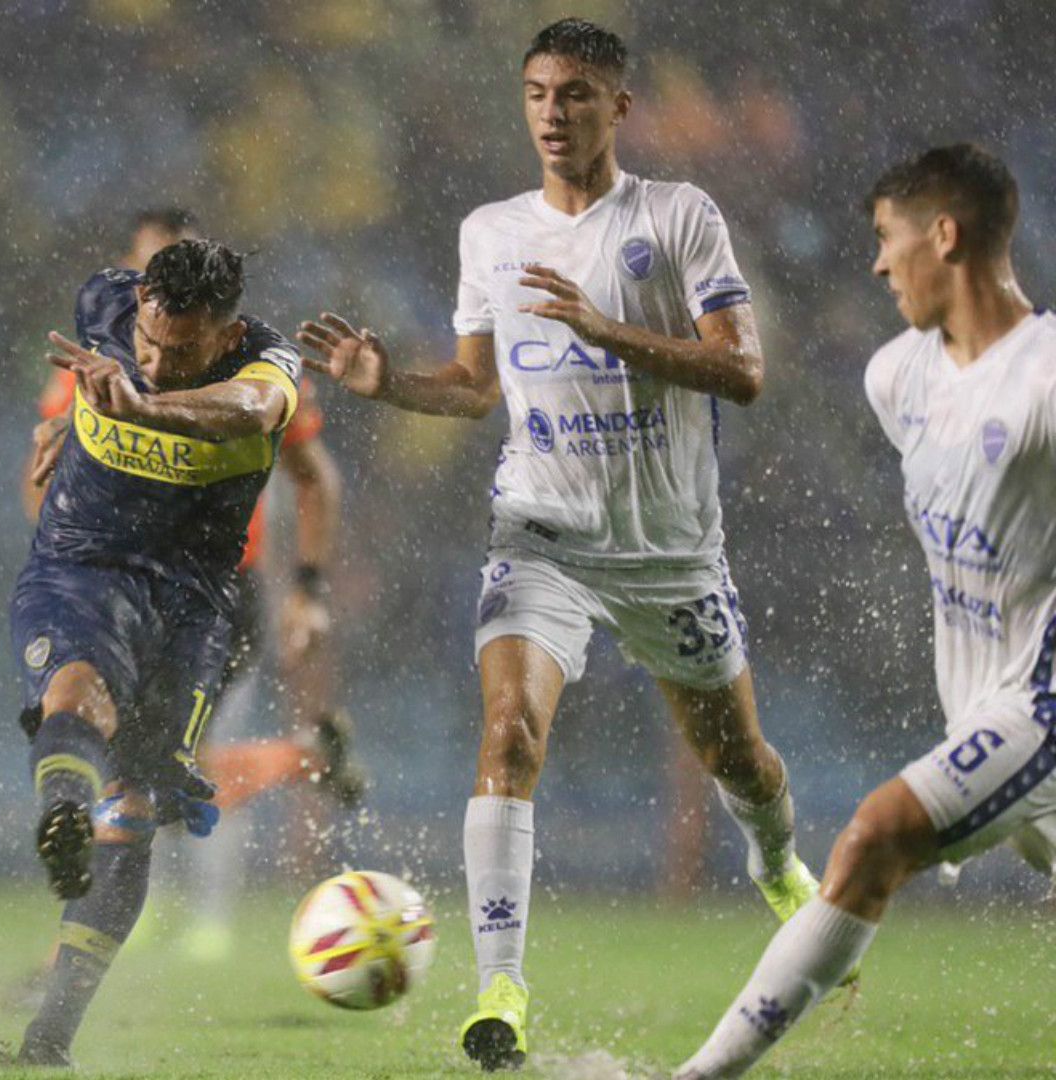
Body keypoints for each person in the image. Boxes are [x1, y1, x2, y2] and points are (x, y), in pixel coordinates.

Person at [298, 19, 812, 1070]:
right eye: (537, 93)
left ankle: (777, 863)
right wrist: (388, 384)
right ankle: (500, 991)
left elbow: (745, 371)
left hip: (669, 550)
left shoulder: (678, 216)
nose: (552, 113)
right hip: (541, 536)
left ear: (619, 106)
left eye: (575, 94)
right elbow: (475, 386)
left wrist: (604, 328)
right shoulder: (491, 232)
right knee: (509, 736)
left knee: (740, 760)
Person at [675, 143, 1056, 1079]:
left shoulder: (1046, 378)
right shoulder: (897, 377)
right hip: (978, 703)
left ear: (945, 235)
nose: (879, 265)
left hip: (1041, 704)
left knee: (875, 838)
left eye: (888, 239)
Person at [23, 209, 363, 963]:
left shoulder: (260, 371)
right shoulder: (99, 348)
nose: (161, 305)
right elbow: (52, 464)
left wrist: (308, 586)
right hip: (115, 584)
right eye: (150, 276)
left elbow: (312, 475)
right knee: (132, 760)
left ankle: (85, 952)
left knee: (152, 771)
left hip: (213, 595)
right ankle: (304, 756)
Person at [10, 239, 301, 1065]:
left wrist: (138, 408)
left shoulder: (269, 362)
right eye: (147, 341)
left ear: (227, 333)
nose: (157, 361)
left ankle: (48, 1042)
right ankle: (63, 812)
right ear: (138, 302)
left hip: (189, 602)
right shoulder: (102, 300)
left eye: (182, 351)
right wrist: (69, 422)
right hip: (82, 564)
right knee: (76, 692)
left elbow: (250, 411)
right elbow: (96, 382)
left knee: (135, 808)